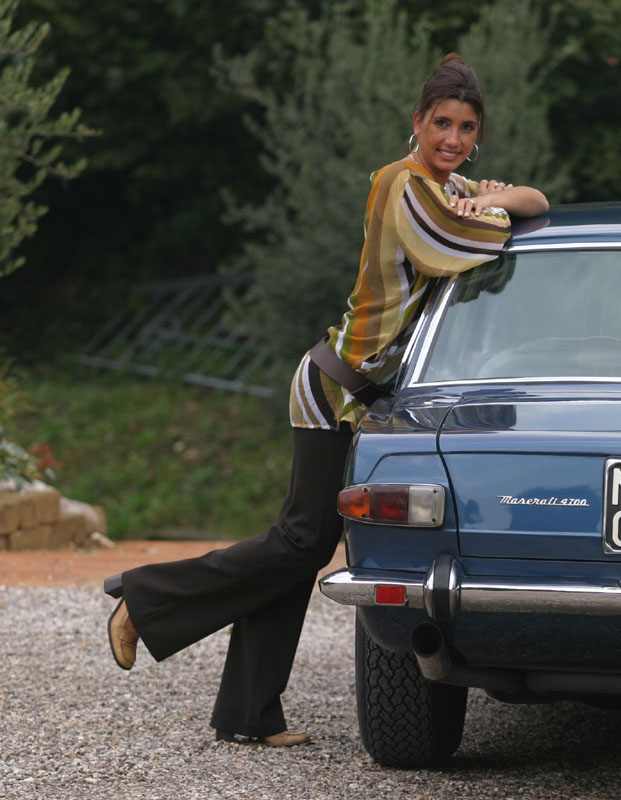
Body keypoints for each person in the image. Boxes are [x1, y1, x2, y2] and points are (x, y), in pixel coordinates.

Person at [104, 53, 549, 747]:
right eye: (441, 123)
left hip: (364, 393)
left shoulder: (448, 185)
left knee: (301, 545)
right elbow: (467, 243)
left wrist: (496, 194)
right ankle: (145, 597)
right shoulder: (404, 185)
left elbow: (537, 203)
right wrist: (491, 206)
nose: (453, 139)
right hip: (333, 385)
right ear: (417, 121)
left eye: (467, 128)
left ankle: (249, 714)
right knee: (300, 540)